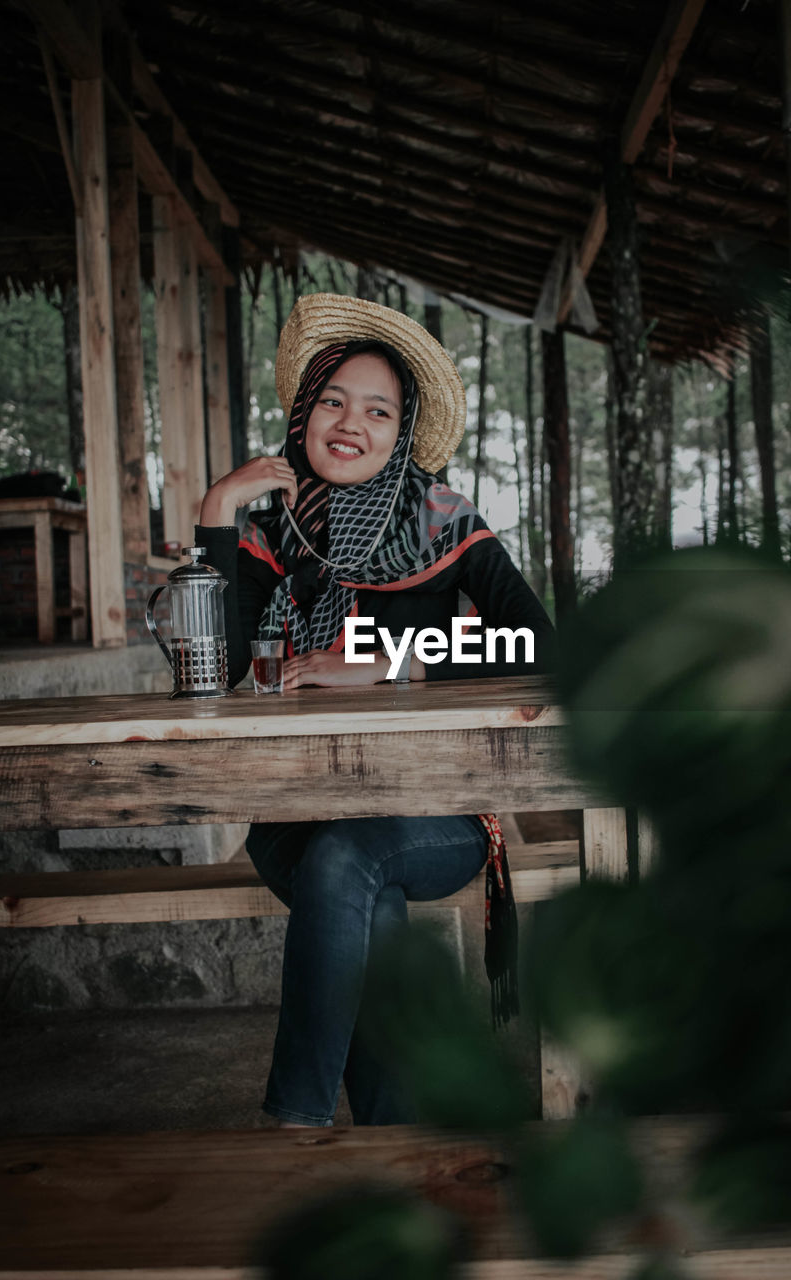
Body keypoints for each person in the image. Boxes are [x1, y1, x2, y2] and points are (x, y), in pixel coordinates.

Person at [197, 293, 554, 1127]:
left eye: (377, 408)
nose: (350, 422)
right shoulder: (267, 532)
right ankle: (393, 1141)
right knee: (355, 882)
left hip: (435, 810)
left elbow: (535, 647)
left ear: (402, 430)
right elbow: (214, 672)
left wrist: (394, 663)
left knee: (350, 857)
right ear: (302, 414)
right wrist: (218, 509)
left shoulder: (444, 522)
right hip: (290, 810)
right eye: (332, 400)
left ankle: (296, 1121)